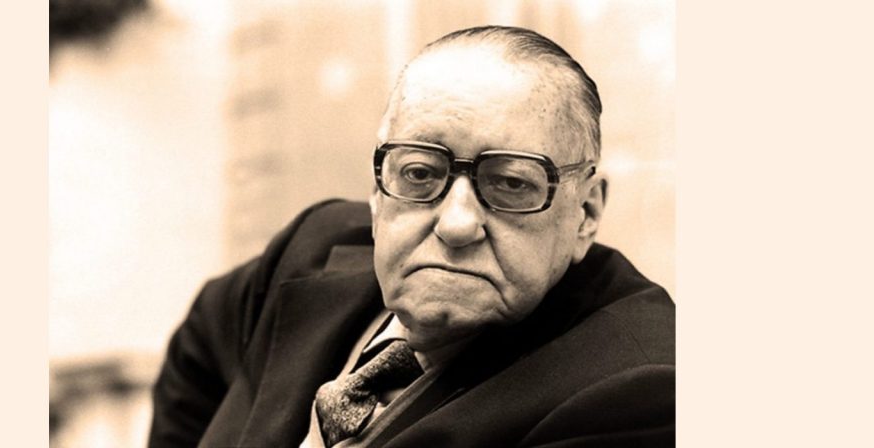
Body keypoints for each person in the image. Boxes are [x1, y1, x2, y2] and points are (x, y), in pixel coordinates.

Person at [149, 25, 674, 448]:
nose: (457, 224)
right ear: (378, 189)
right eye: (420, 173)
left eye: (511, 183)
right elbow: (200, 346)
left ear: (585, 212)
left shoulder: (641, 392)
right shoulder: (313, 245)